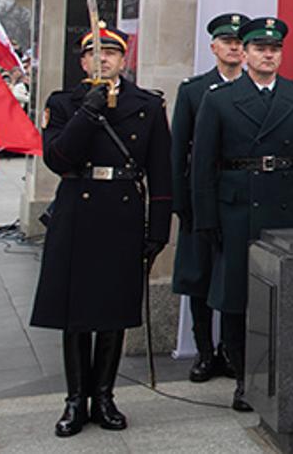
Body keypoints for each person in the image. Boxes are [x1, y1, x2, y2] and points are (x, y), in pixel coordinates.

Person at [33, 25, 172, 437]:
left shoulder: (147, 105)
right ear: (82, 62)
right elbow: (58, 158)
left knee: (112, 313)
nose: (103, 60)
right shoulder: (63, 104)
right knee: (76, 314)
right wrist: (88, 111)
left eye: (111, 53)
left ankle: (105, 397)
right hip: (77, 210)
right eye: (94, 54)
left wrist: (159, 228)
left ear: (123, 60)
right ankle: (76, 401)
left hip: (122, 213)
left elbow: (161, 173)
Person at [191, 16, 293, 412]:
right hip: (237, 210)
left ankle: (282, 374)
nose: (268, 54)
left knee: (285, 298)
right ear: (244, 54)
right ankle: (245, 379)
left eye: (275, 49)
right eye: (260, 48)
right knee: (237, 299)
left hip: (286, 208)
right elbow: (203, 165)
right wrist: (207, 218)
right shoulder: (218, 99)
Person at [169, 13, 246, 383]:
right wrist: (182, 204)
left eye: (238, 41)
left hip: (239, 201)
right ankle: (204, 351)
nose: (233, 46)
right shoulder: (193, 91)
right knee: (199, 278)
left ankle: (233, 352)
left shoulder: (257, 89)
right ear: (213, 47)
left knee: (233, 279)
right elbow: (178, 150)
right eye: (226, 40)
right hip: (202, 198)